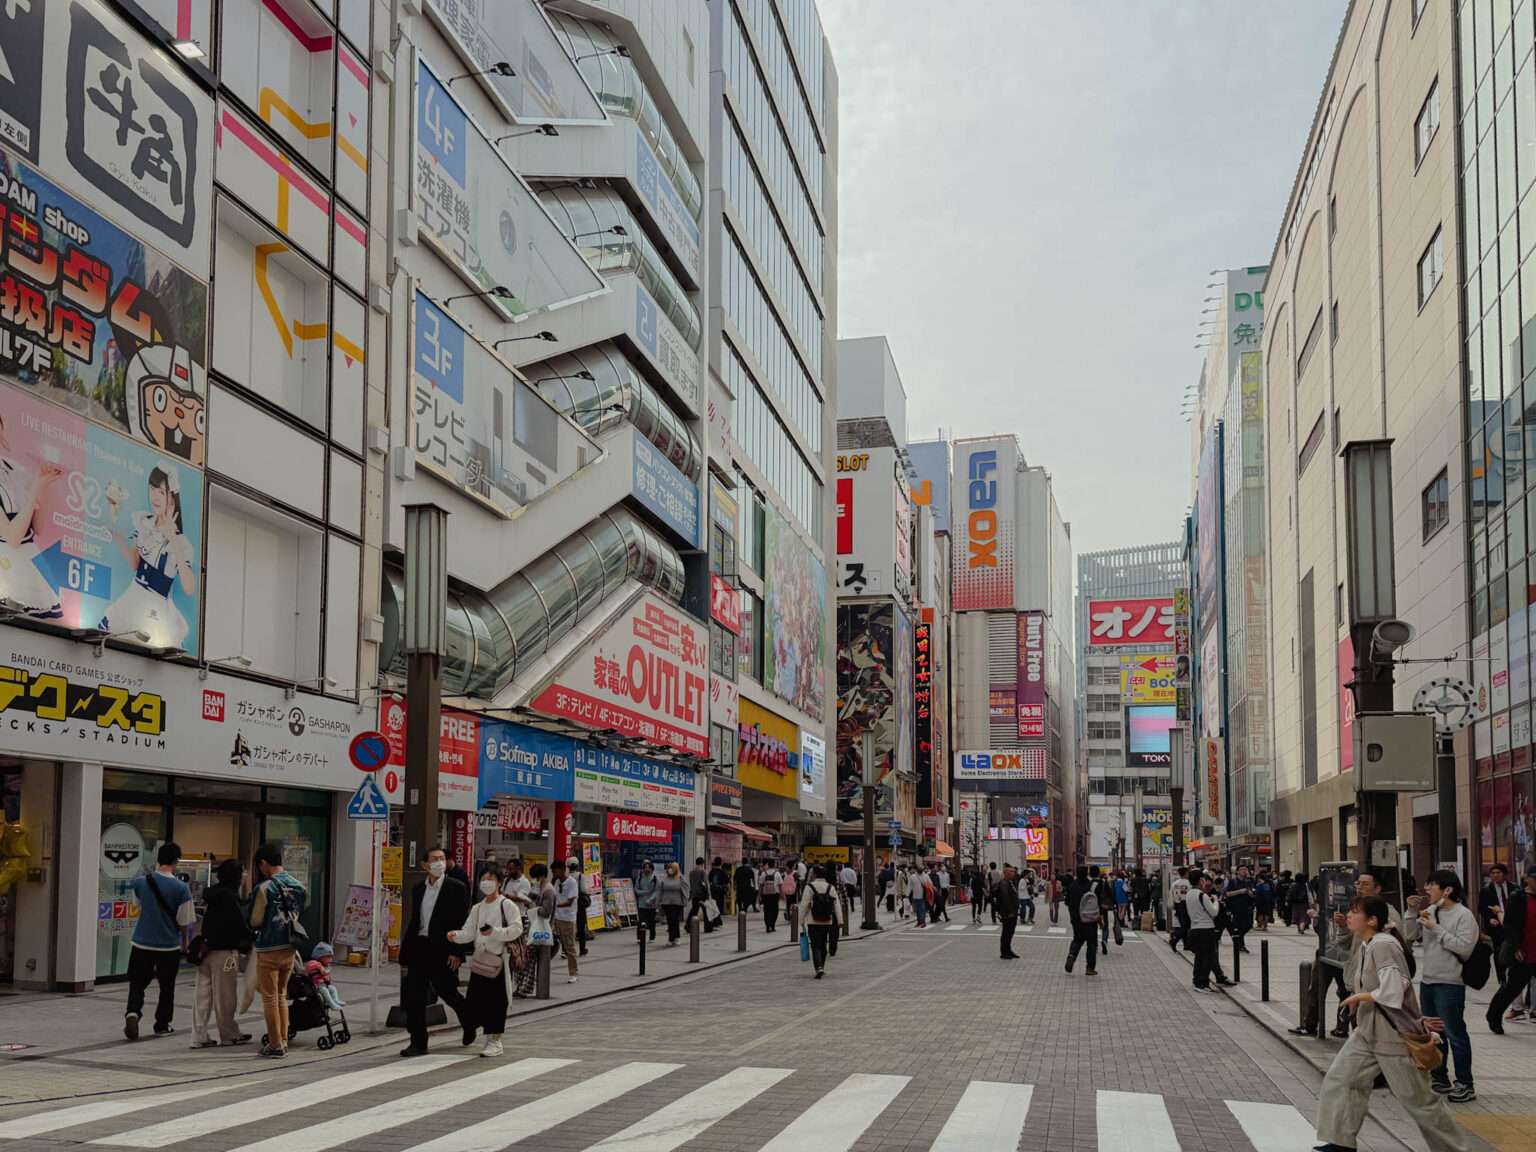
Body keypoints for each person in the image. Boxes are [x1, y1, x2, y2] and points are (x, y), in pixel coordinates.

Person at [1312, 897, 1473, 1152]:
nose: (1349, 916)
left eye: (1355, 912)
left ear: (1372, 920)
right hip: (1367, 1033)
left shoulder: (1383, 945)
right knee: (1342, 1080)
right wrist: (1360, 999)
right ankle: (1340, 1142)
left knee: (1420, 1102)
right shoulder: (1368, 944)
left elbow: (1394, 990)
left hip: (1393, 1037)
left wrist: (1360, 996)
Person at [399, 846, 472, 1057]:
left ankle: (469, 1022)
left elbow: (462, 921)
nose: (439, 862)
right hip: (419, 947)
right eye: (434, 859)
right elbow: (416, 920)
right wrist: (406, 950)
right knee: (414, 997)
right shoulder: (418, 889)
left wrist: (457, 952)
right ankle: (418, 1042)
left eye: (442, 858)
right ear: (425, 865)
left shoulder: (456, 887)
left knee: (448, 992)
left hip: (443, 948)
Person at [446, 866, 524, 1058]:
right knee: (475, 1001)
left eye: (491, 879)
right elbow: (469, 931)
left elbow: (517, 929)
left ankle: (495, 1040)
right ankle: (481, 1032)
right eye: (484, 879)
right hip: (480, 962)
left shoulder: (507, 905)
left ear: (499, 883)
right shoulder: (478, 907)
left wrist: (495, 932)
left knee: (497, 1002)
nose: (486, 882)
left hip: (498, 961)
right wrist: (456, 936)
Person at [1414, 868, 1478, 1101]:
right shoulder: (1430, 910)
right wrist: (1413, 913)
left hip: (1450, 983)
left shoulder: (1464, 915)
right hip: (1428, 980)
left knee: (1454, 1032)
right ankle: (1439, 1077)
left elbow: (1464, 948)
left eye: (1432, 885)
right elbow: (1410, 935)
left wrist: (1435, 928)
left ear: (1447, 890)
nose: (1426, 889)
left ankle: (1465, 1083)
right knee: (1434, 1032)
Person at [123, 841, 196, 1042]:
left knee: (137, 983)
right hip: (168, 946)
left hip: (141, 942)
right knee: (167, 987)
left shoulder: (140, 882)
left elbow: (136, 905)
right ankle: (162, 1025)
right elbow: (185, 921)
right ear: (176, 861)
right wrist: (186, 942)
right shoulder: (181, 888)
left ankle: (133, 1012)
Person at [248, 842, 307, 1058]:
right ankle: (283, 1039)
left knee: (270, 997)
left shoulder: (265, 888)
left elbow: (255, 920)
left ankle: (275, 1044)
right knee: (282, 994)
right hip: (290, 947)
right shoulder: (299, 886)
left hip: (269, 947)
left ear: (263, 863)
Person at [190, 858, 250, 1049]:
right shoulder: (230, 897)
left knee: (202, 996)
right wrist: (251, 939)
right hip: (224, 953)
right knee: (225, 997)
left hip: (205, 951)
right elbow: (239, 925)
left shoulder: (212, 895)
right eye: (242, 875)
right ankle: (229, 1034)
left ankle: (198, 1036)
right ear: (236, 876)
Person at [1486, 865, 1536, 1034]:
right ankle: (1494, 1015)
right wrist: (1516, 947)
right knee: (1512, 989)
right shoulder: (1519, 897)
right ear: (1527, 879)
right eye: (1534, 878)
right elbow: (1510, 925)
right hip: (1524, 952)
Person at [1185, 869, 1232, 993]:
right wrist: (1215, 901)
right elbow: (1214, 912)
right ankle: (1202, 983)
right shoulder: (1202, 895)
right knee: (1207, 957)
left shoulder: (1189, 894)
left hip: (1194, 929)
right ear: (1201, 880)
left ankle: (1197, 982)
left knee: (1199, 957)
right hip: (1206, 930)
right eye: (1204, 879)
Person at [797, 865, 844, 978]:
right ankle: (821, 966)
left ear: (815, 874)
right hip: (827, 920)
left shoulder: (810, 887)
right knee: (823, 944)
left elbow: (804, 904)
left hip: (813, 921)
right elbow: (836, 904)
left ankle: (819, 967)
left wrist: (801, 919)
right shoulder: (830, 887)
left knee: (815, 945)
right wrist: (840, 920)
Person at [502, 859, 537, 1000]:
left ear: (519, 868)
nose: (509, 871)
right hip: (506, 920)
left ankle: (522, 987)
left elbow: (525, 900)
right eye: (508, 868)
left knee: (521, 954)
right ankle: (509, 984)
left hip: (521, 920)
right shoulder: (506, 881)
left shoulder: (524, 882)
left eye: (512, 869)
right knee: (508, 954)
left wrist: (508, 897)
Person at [1480, 863, 1515, 987]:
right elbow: (1483, 909)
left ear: (1505, 874)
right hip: (1496, 928)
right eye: (1493, 873)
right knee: (1499, 953)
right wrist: (1490, 919)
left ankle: (1512, 974)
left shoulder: (1514, 889)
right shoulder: (1486, 891)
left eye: (1498, 873)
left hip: (1511, 925)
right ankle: (1502, 979)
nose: (1495, 875)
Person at [1064, 865, 1098, 976]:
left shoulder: (1072, 885)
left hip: (1076, 919)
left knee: (1077, 939)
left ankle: (1072, 955)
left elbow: (1067, 902)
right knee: (1091, 943)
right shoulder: (1091, 886)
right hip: (1089, 920)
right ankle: (1090, 968)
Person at [551, 858, 581, 982]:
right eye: (553, 872)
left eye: (556, 871)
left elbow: (570, 901)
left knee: (569, 946)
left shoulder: (572, 882)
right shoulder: (556, 882)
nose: (554, 874)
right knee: (551, 943)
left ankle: (573, 973)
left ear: (563, 870)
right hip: (556, 917)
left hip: (568, 918)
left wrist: (555, 906)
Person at [304, 942, 345, 1013]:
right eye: (328, 957)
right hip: (315, 986)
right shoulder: (313, 963)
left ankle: (335, 1000)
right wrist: (320, 967)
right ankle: (331, 1004)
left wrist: (327, 978)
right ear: (320, 956)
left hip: (323, 985)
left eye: (331, 957)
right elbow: (308, 967)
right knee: (325, 991)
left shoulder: (324, 965)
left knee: (332, 988)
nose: (331, 959)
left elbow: (326, 978)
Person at [1225, 866, 1255, 954]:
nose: (1244, 871)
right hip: (1237, 907)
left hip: (1248, 907)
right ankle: (1240, 945)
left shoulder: (1249, 881)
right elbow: (1227, 894)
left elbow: (1253, 894)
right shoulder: (1232, 881)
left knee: (1248, 925)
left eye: (1246, 869)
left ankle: (1238, 940)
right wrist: (1239, 891)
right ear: (1237, 872)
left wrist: (1250, 893)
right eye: (1242, 870)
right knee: (1238, 926)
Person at [994, 864, 1021, 959]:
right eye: (1011, 872)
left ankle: (1008, 950)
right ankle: (1004, 952)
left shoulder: (1011, 882)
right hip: (1007, 913)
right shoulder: (1004, 884)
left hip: (1013, 911)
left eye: (1014, 871)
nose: (1014, 873)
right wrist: (1009, 911)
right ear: (1006, 873)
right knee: (1006, 932)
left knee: (1010, 932)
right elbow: (1005, 899)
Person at [658, 861, 688, 944]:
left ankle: (676, 937)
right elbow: (660, 890)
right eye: (669, 868)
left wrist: (685, 901)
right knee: (669, 920)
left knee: (675, 920)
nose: (670, 869)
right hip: (666, 902)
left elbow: (685, 890)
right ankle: (671, 938)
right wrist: (659, 901)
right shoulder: (664, 878)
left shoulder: (681, 878)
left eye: (672, 868)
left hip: (677, 903)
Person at [634, 859, 660, 942]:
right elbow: (636, 889)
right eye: (645, 868)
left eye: (648, 868)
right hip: (641, 903)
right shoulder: (640, 877)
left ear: (652, 869)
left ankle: (652, 937)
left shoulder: (655, 878)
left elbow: (657, 891)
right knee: (641, 920)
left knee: (651, 921)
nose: (646, 869)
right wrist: (644, 892)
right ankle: (640, 937)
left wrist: (650, 899)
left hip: (651, 904)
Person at [687, 856, 712, 933]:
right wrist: (708, 895)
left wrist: (691, 894)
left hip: (694, 894)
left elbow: (691, 884)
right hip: (702, 894)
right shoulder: (702, 872)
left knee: (694, 911)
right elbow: (706, 884)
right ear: (702, 863)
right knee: (706, 911)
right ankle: (708, 928)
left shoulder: (691, 872)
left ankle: (688, 925)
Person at [1169, 866, 1191, 952]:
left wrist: (1172, 905)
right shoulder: (1189, 883)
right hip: (1186, 904)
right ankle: (1175, 939)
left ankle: (1186, 944)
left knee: (1183, 924)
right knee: (1186, 925)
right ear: (1186, 873)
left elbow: (1171, 896)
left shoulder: (1174, 884)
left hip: (1178, 905)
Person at [758, 861, 782, 933]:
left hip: (766, 895)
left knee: (767, 910)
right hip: (775, 894)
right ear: (774, 865)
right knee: (775, 910)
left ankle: (767, 925)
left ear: (768, 865)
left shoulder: (763, 873)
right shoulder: (777, 873)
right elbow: (780, 885)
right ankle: (772, 925)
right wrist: (782, 894)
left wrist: (759, 895)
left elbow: (761, 885)